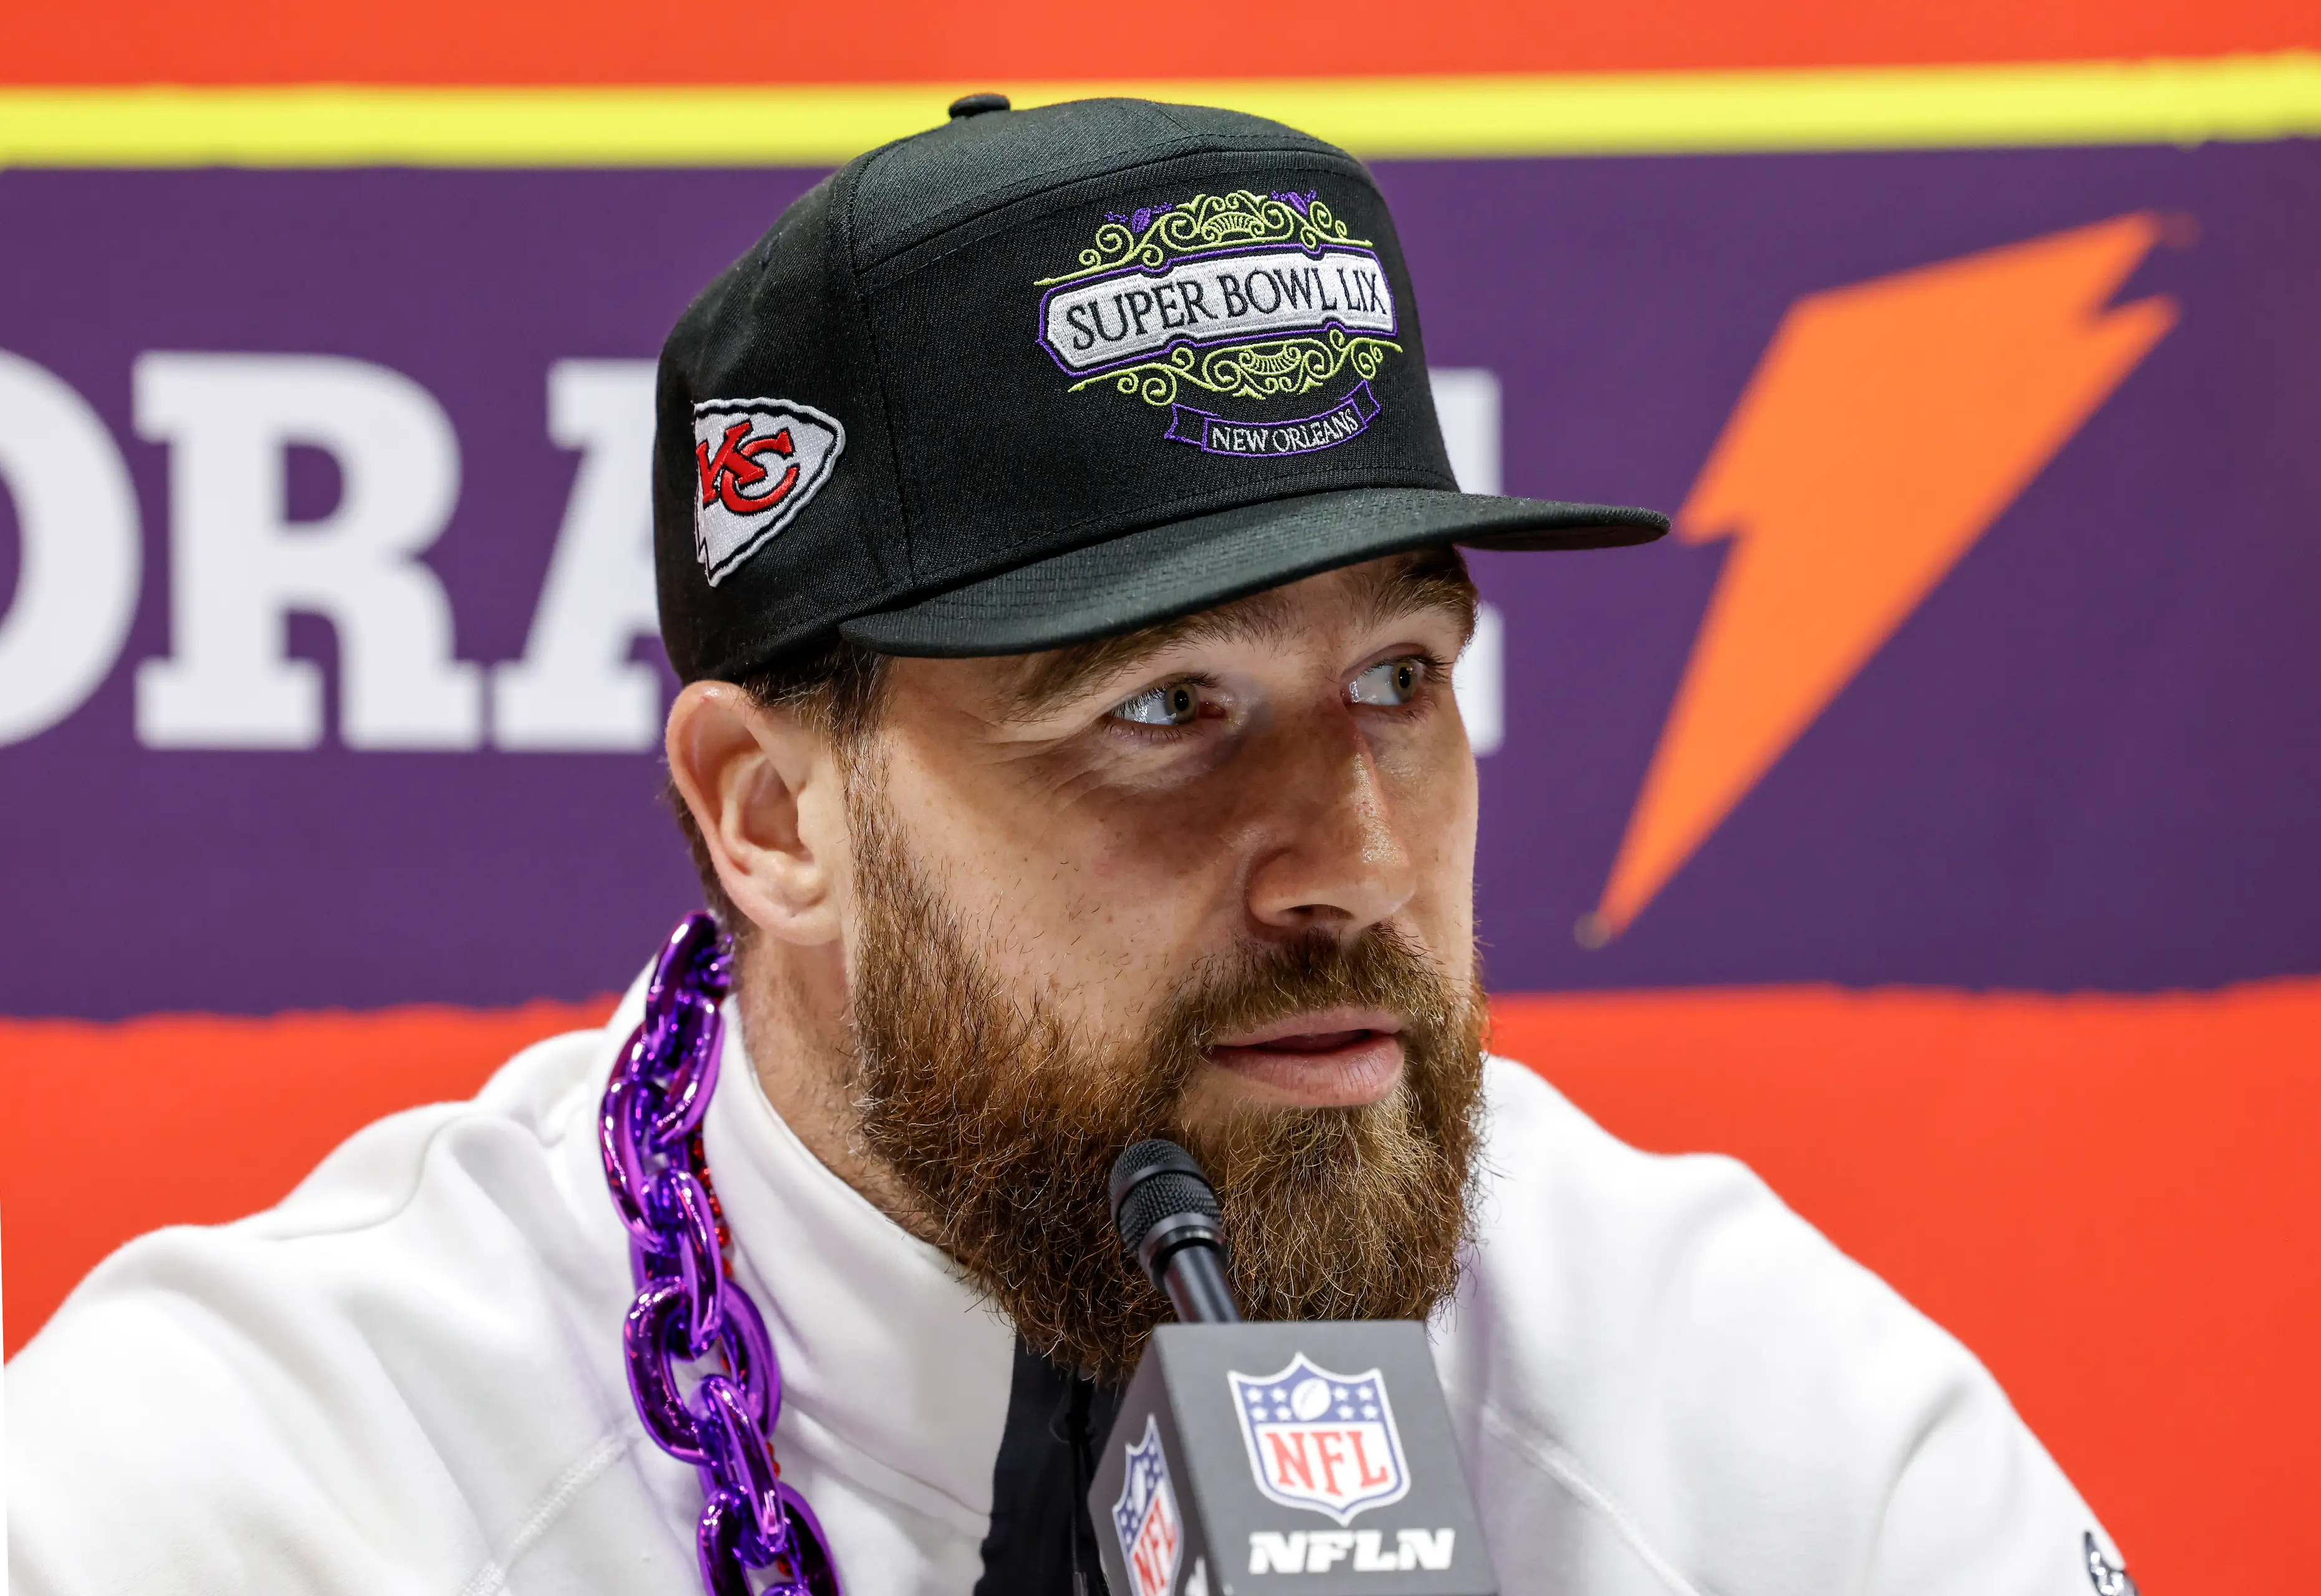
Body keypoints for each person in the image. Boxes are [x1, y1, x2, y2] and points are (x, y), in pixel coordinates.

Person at [4, 95, 2133, 1596]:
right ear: (774, 818)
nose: (1357, 867)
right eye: (1164, 715)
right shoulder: (249, 1499)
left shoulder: (1764, 1435)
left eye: (1401, 677)